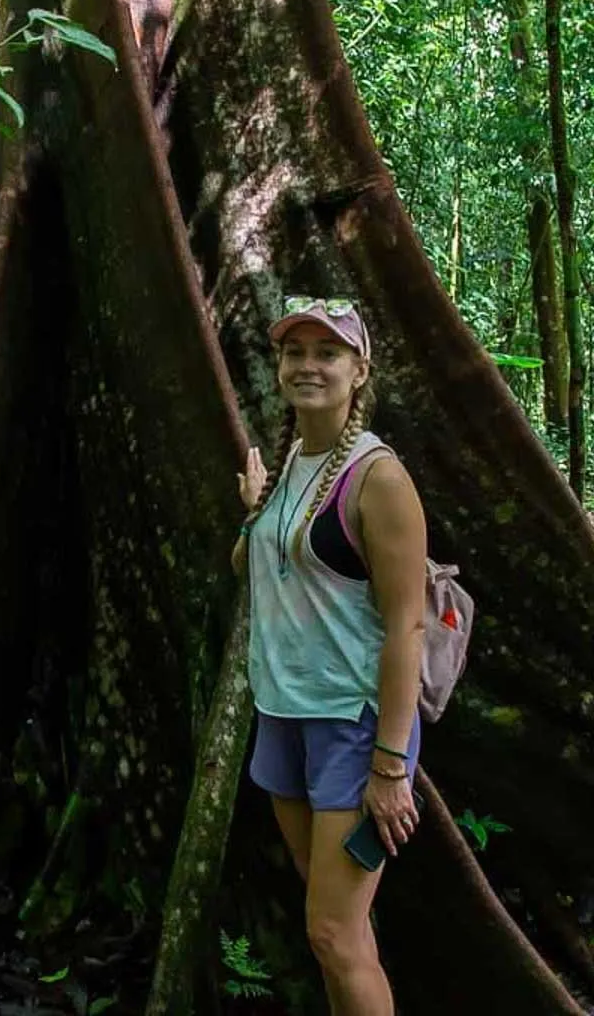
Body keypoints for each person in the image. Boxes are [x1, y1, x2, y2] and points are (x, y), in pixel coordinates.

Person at [231, 296, 427, 1016]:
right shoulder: (294, 461)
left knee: (334, 932)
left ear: (359, 369)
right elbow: (253, 571)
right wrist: (255, 509)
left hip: (353, 725)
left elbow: (408, 626)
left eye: (327, 353)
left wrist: (390, 765)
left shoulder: (378, 477)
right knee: (335, 937)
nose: (307, 365)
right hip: (283, 716)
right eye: (295, 352)